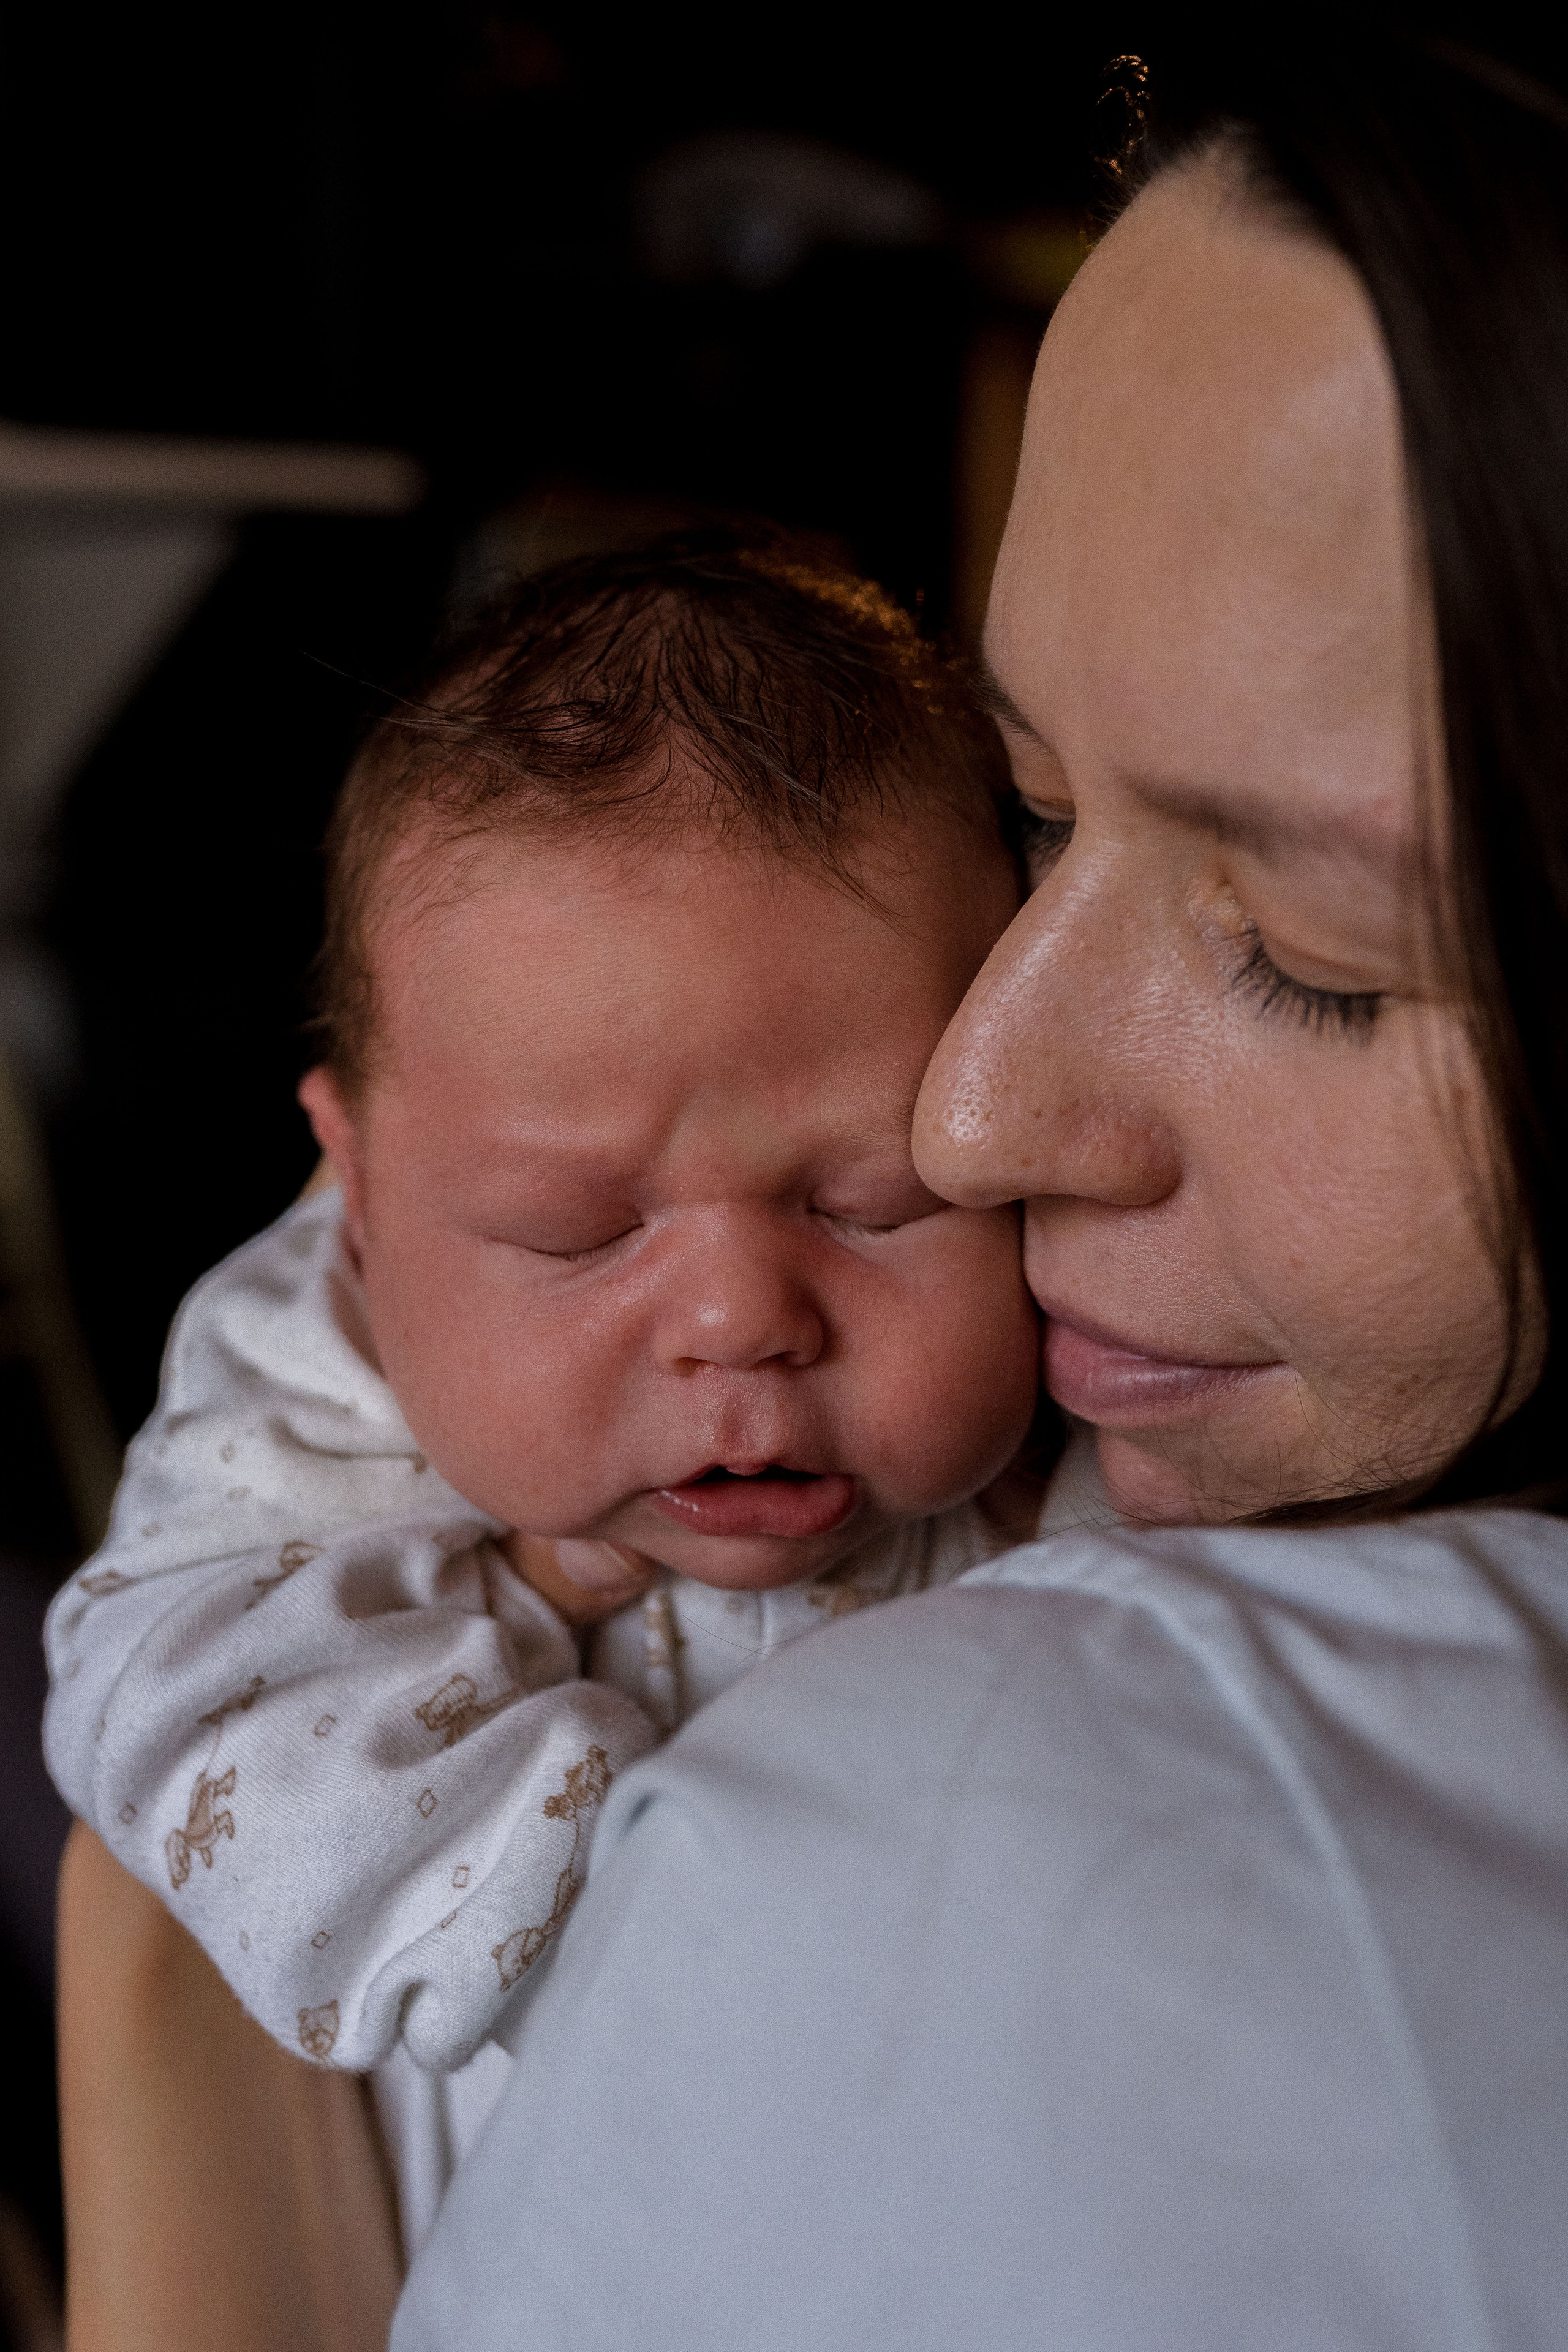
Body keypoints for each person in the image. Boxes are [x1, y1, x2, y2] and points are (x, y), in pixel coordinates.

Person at [386, 24, 1568, 2351]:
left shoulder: (1001, 1818)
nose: (973, 1115)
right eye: (1031, 802)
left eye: (1314, 961)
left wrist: (144, 1984)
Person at [44, 534, 1052, 2256]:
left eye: (876, 1204)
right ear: (359, 1205)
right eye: (580, 1233)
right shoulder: (305, 1378)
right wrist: (517, 1650)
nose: (740, 1319)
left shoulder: (1098, 1403)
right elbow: (180, 1716)